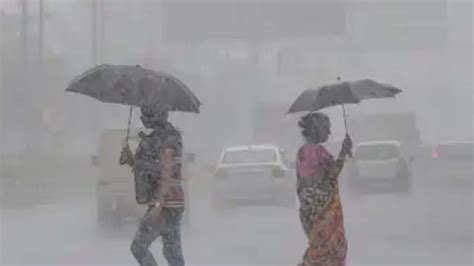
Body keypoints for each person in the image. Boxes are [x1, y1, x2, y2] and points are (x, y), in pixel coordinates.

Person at [120, 105, 185, 266]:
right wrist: (131, 161)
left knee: (139, 247)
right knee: (172, 252)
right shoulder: (165, 136)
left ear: (154, 115)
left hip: (165, 203)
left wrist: (158, 205)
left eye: (145, 113)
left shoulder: (167, 139)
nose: (142, 117)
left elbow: (167, 171)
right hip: (173, 204)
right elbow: (152, 169)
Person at [296, 112, 352, 266]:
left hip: (312, 213)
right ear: (316, 129)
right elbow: (328, 178)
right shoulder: (311, 151)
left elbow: (329, 176)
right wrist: (343, 152)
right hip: (320, 213)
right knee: (327, 250)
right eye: (326, 128)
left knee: (325, 249)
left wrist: (344, 151)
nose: (329, 132)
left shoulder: (308, 151)